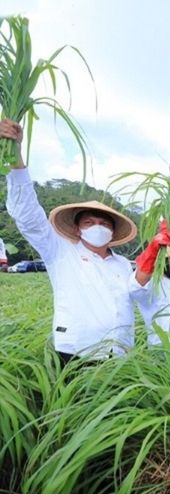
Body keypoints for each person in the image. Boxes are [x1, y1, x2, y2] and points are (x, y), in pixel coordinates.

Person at [2, 118, 143, 364]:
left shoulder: (122, 264)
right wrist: (16, 162)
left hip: (120, 353)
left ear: (113, 231)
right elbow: (29, 217)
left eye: (105, 223)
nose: (98, 227)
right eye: (89, 222)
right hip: (77, 352)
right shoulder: (60, 251)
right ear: (77, 229)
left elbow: (139, 292)